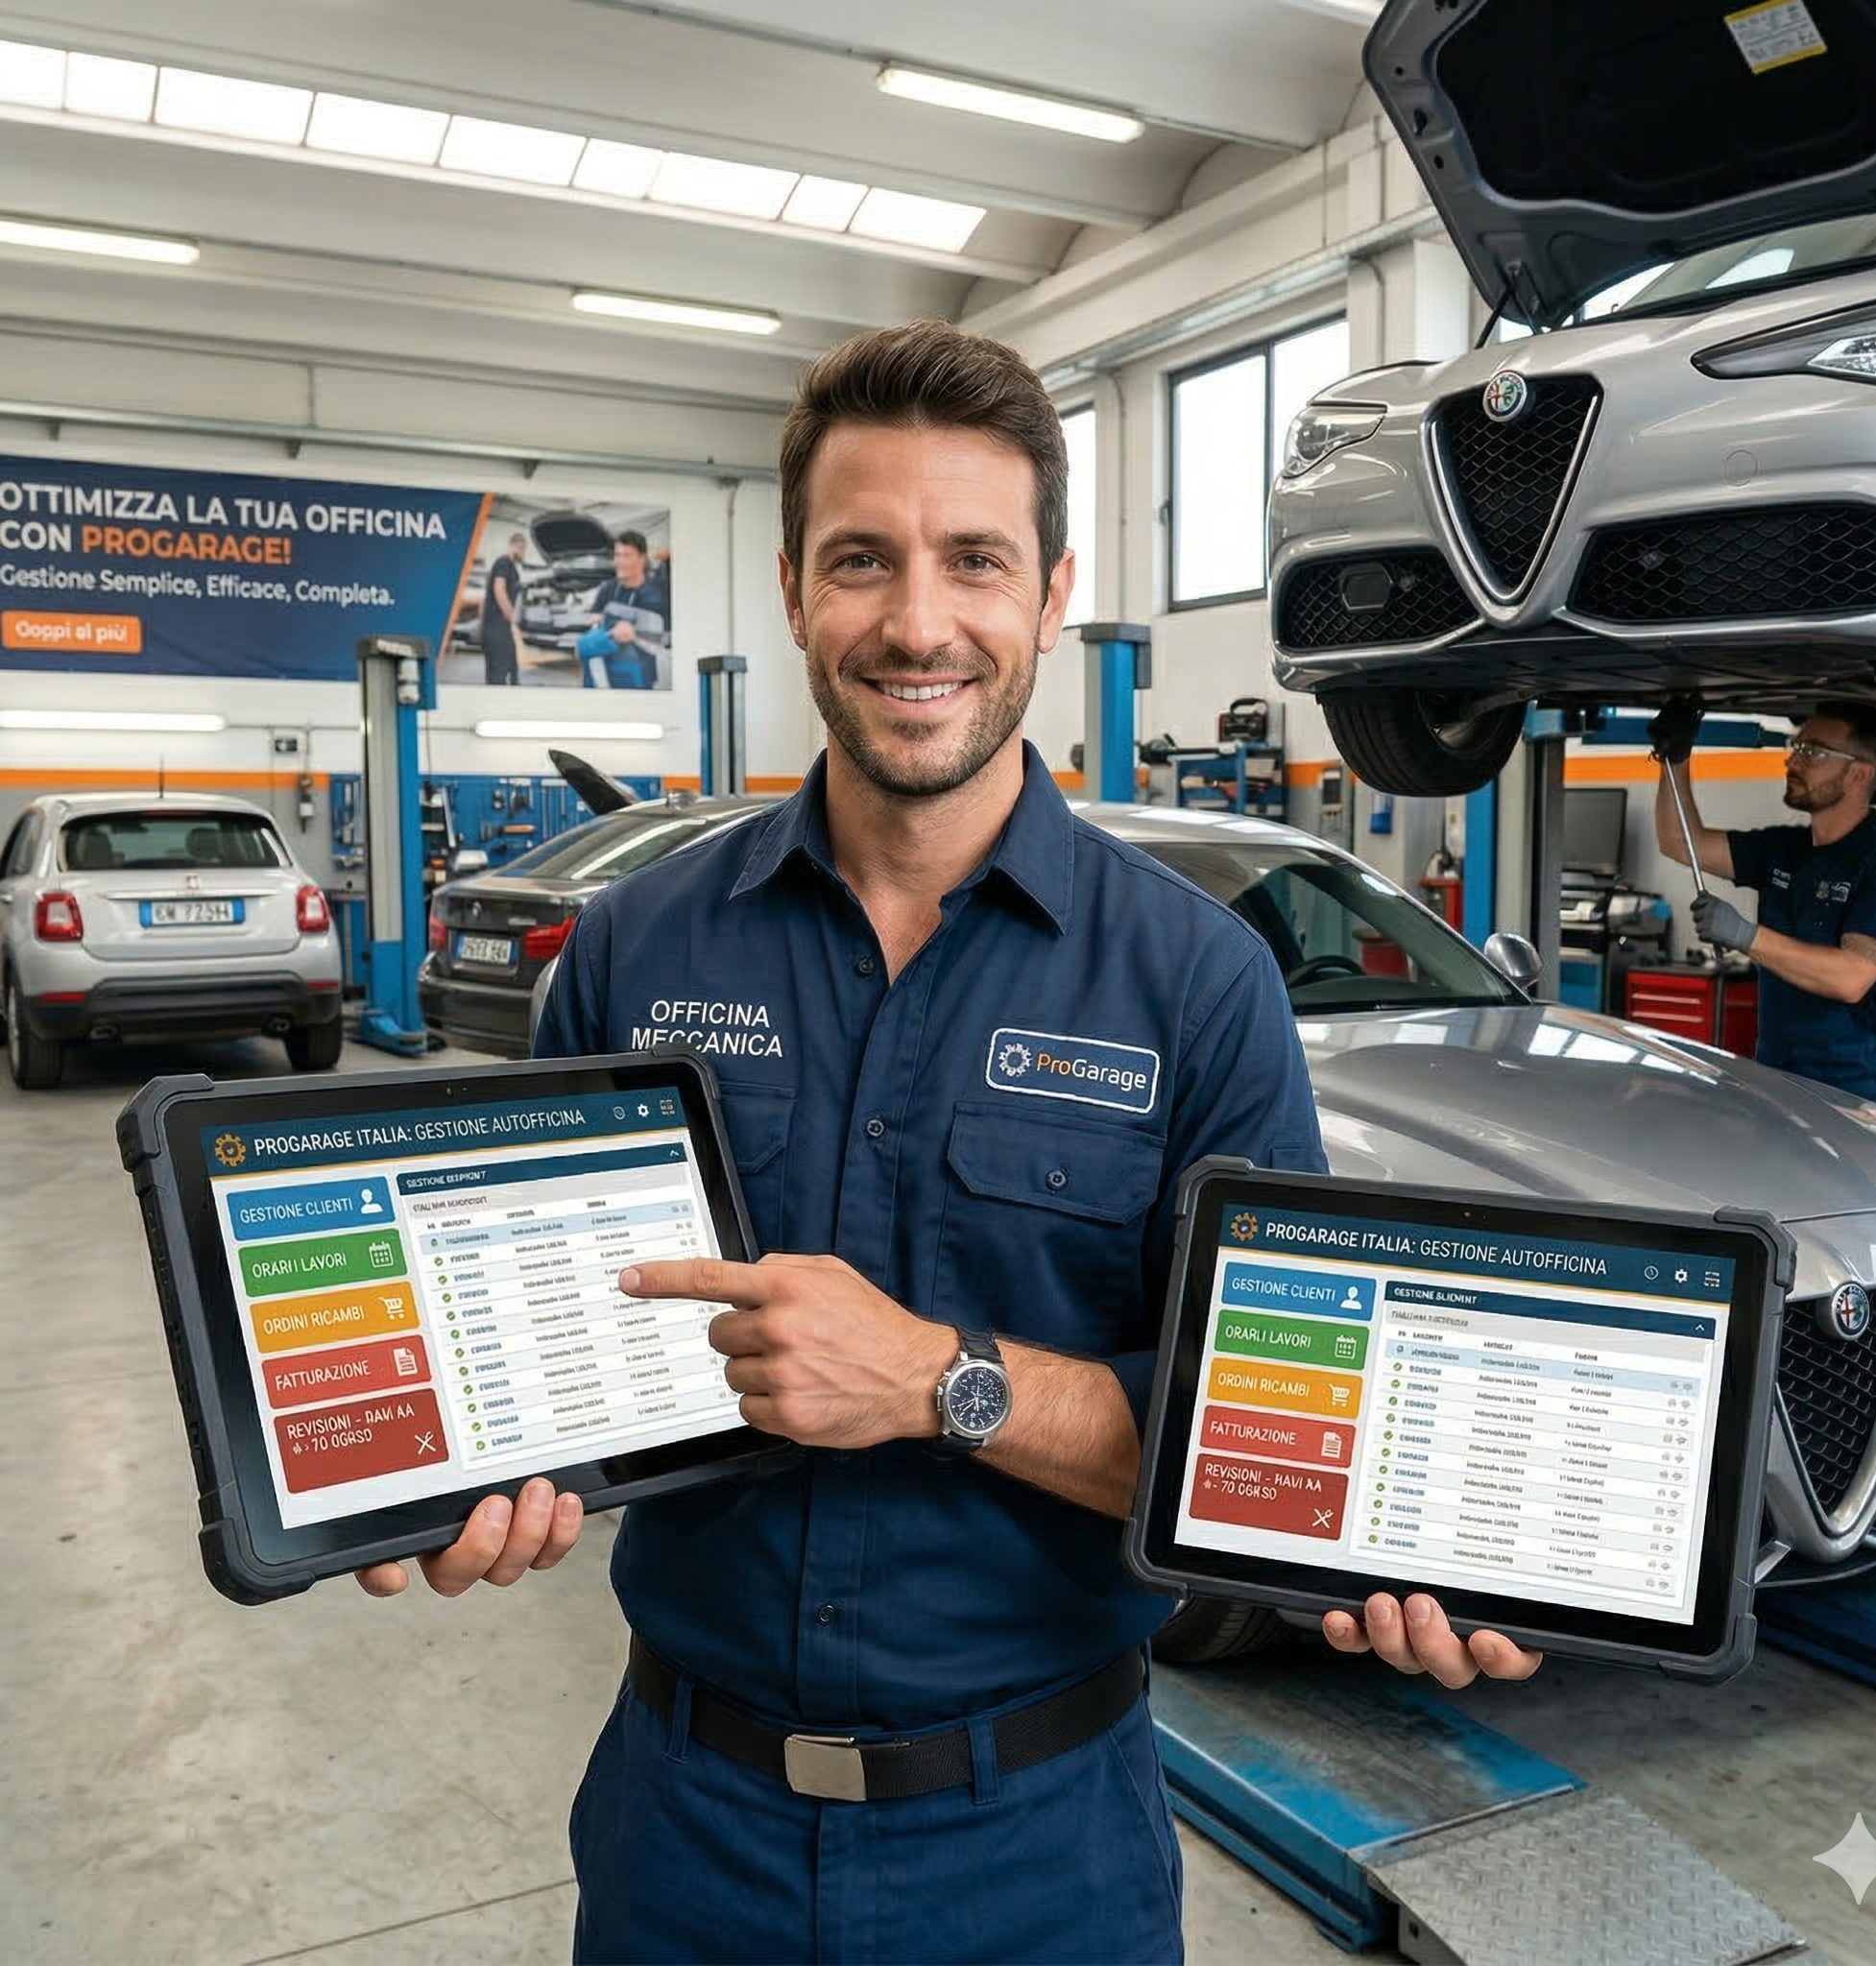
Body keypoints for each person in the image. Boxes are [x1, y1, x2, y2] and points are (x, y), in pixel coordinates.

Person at [357, 320, 1541, 1965]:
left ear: (1048, 594)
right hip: (682, 1836)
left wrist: (937, 1377)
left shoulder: (1194, 983)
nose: (917, 622)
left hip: (1036, 1853)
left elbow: (1264, 1436)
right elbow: (530, 1339)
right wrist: (457, 1463)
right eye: (862, 560)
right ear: (791, 591)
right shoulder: (635, 953)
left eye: (973, 559)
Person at [1651, 696, 1876, 1107]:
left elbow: (1850, 978)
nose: (1792, 761)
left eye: (1812, 751)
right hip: (1778, 1086)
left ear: (1860, 774)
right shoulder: (1784, 848)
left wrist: (1744, 935)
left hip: (1856, 1100)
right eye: (1796, 747)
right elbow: (1680, 842)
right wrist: (1673, 759)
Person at [582, 527, 670, 689]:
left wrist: (635, 633)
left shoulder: (658, 592)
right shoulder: (607, 588)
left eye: (627, 556)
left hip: (641, 672)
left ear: (642, 559)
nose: (620, 562)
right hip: (606, 669)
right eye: (617, 555)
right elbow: (593, 618)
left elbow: (667, 636)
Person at [482, 530, 527, 686]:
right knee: (499, 671)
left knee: (511, 667)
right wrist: (511, 616)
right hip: (496, 626)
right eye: (521, 549)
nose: (522, 553)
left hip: (502, 626)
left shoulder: (511, 567)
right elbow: (499, 589)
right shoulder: (503, 562)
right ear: (514, 546)